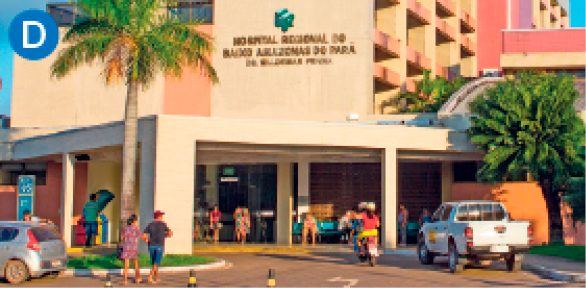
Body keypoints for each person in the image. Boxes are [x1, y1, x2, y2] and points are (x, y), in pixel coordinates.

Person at [141, 211, 172, 284]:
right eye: (161, 216)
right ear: (159, 217)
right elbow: (170, 233)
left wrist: (147, 242)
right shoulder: (163, 224)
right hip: (159, 245)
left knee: (154, 262)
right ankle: (151, 277)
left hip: (151, 246)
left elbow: (144, 236)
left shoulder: (150, 225)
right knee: (156, 262)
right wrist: (166, 235)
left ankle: (157, 277)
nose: (162, 217)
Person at [121, 215, 142, 285]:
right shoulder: (136, 228)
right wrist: (146, 238)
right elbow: (140, 236)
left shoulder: (125, 228)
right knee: (135, 263)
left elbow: (122, 237)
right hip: (133, 247)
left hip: (126, 247)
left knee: (126, 265)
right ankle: (137, 278)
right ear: (135, 220)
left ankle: (125, 280)